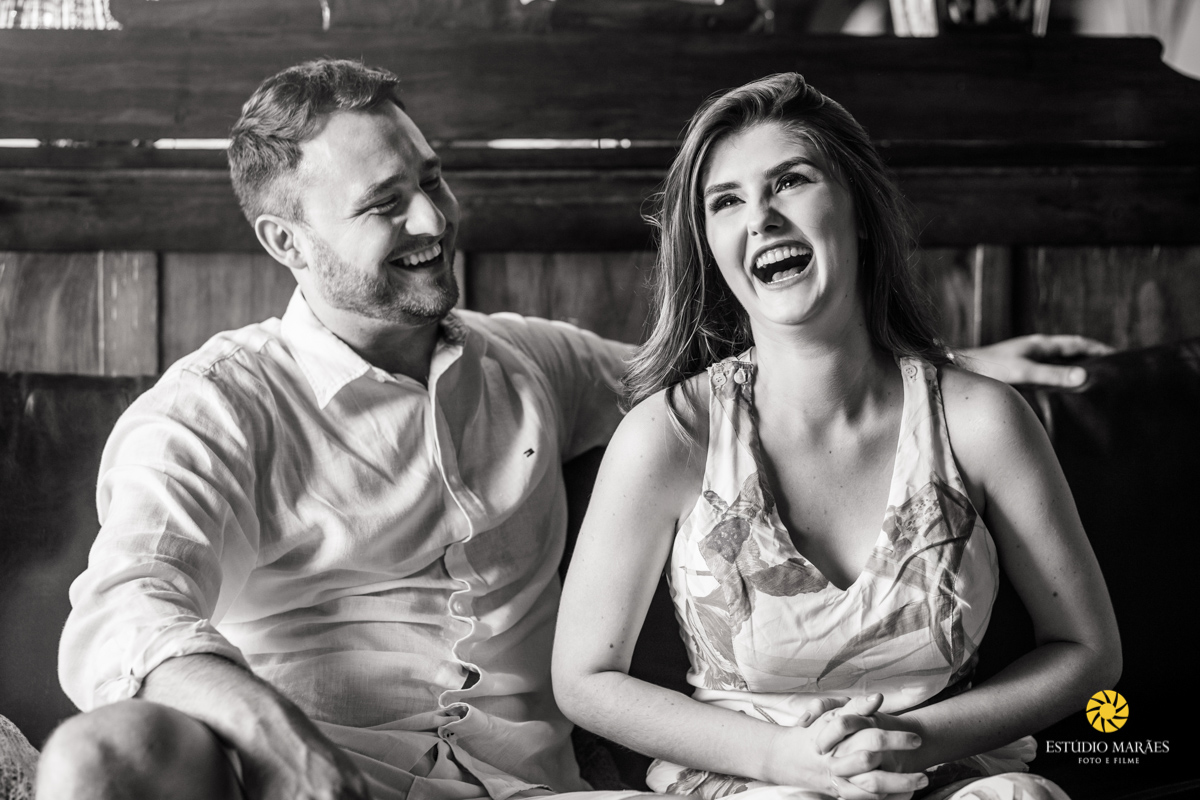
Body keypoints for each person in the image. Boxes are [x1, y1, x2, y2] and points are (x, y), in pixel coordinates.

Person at [37, 59, 1109, 800]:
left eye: (432, 180)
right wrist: (289, 748)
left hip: (534, 792)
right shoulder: (216, 410)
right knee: (102, 754)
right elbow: (126, 609)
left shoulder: (527, 362)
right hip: (325, 781)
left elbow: (772, 373)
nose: (432, 220)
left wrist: (964, 368)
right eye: (383, 204)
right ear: (286, 240)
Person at [551, 73, 1120, 800]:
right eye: (727, 201)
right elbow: (584, 679)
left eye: (790, 181)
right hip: (749, 780)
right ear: (710, 246)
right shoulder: (671, 434)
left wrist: (906, 746)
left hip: (943, 771)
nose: (761, 218)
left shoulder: (981, 421)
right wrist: (788, 762)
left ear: (858, 210)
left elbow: (1087, 650)